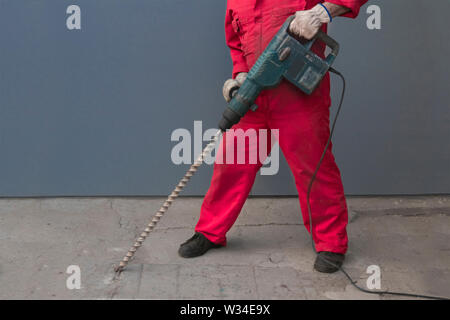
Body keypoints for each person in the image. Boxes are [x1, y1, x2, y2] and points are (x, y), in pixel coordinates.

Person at [178, 0, 368, 273]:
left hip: (300, 97)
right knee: (231, 164)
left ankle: (331, 243)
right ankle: (210, 231)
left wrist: (322, 12)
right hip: (255, 97)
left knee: (313, 169)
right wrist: (240, 74)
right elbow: (236, 41)